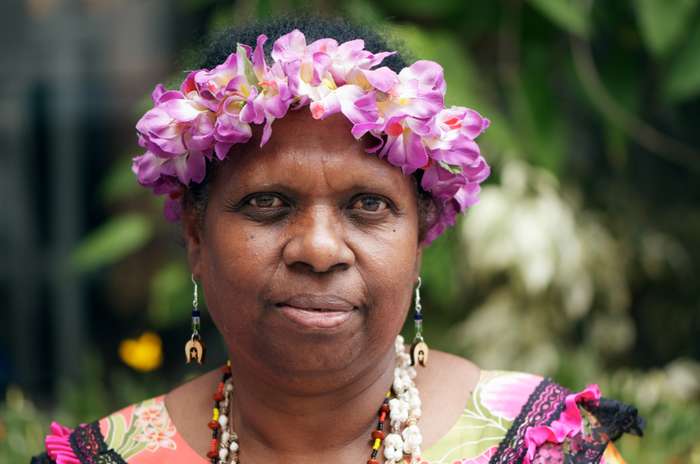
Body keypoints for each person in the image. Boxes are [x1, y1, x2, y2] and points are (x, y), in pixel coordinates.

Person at [32, 16, 643, 464]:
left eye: (368, 205)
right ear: (196, 234)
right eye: (266, 204)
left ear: (421, 236)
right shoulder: (110, 456)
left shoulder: (543, 446)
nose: (320, 250)